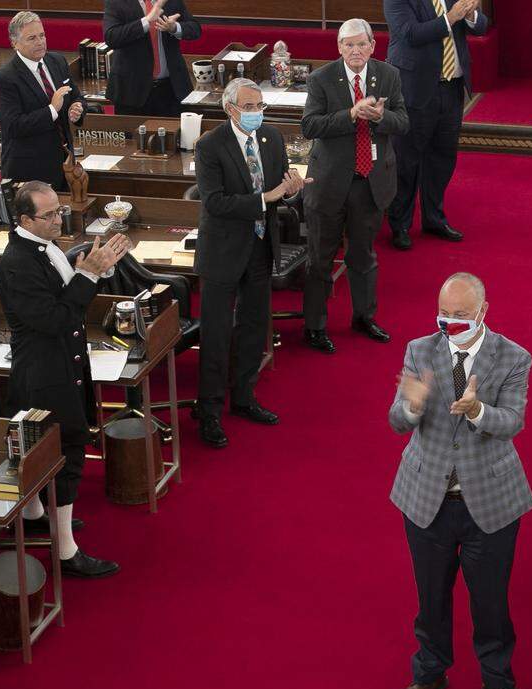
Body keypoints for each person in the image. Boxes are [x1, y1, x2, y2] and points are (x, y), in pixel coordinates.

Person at [388, 272, 532, 689]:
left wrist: (478, 410)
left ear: (483, 313)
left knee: (490, 602)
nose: (449, 323)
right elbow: (397, 422)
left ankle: (498, 680)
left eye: (460, 316)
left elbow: (512, 422)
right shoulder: (420, 350)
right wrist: (411, 404)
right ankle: (429, 674)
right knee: (430, 600)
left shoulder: (513, 357)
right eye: (444, 315)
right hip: (426, 499)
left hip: (489, 502)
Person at [0, 181, 130, 578]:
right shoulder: (18, 262)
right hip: (44, 371)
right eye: (50, 215)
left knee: (56, 442)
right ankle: (66, 551)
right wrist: (88, 274)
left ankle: (37, 513)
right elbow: (55, 319)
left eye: (59, 211)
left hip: (61, 362)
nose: (60, 219)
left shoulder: (40, 246)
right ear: (24, 219)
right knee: (68, 449)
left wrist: (91, 271)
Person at [193, 78, 308, 449]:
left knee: (253, 328)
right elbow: (214, 202)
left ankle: (243, 397)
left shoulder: (272, 139)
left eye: (260, 106)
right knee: (216, 334)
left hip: (261, 249)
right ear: (230, 109)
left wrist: (290, 190)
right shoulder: (210, 146)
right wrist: (265, 198)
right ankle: (208, 411)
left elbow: (279, 190)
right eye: (249, 107)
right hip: (222, 253)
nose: (256, 113)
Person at [300, 18, 408, 354]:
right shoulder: (321, 78)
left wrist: (380, 118)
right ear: (339, 47)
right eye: (349, 45)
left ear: (373, 46)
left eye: (362, 44)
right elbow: (310, 126)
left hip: (370, 183)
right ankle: (315, 327)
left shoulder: (388, 75)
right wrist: (350, 114)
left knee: (364, 256)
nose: (355, 51)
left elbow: (403, 122)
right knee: (320, 259)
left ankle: (364, 317)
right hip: (329, 184)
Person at [383, 0, 488, 249]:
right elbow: (411, 34)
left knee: (443, 157)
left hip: (452, 86)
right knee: (406, 160)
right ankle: (400, 225)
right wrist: (451, 17)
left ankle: (434, 218)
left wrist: (471, 13)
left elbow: (482, 27)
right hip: (415, 86)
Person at [0, 12, 87, 189]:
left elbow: (76, 96)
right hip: (31, 170)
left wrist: (77, 109)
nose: (40, 42)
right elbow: (14, 126)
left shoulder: (57, 61)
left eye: (42, 35)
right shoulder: (5, 78)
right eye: (32, 38)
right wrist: (52, 109)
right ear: (14, 43)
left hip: (65, 161)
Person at [103, 0, 200, 116]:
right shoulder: (116, 2)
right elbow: (111, 37)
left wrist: (175, 27)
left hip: (172, 89)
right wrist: (147, 21)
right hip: (131, 92)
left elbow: (195, 29)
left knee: (177, 134)